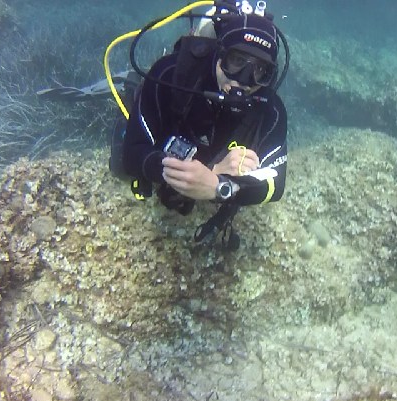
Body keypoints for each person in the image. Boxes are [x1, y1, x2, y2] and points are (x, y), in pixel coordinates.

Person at [119, 12, 288, 247]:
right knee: (118, 168)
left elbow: (276, 186)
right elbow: (131, 155)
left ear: (270, 76)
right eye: (236, 61)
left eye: (260, 71)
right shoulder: (169, 74)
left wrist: (221, 186)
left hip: (213, 160)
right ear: (219, 56)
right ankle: (129, 88)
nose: (243, 80)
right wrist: (194, 174)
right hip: (172, 140)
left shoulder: (272, 111)